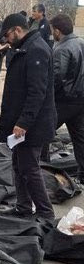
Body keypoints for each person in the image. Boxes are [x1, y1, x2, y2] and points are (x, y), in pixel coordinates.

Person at [0, 13, 55, 220]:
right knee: (18, 164)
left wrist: (24, 122)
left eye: (7, 35)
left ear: (18, 30)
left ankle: (45, 213)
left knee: (30, 167)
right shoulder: (25, 47)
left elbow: (37, 92)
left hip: (33, 124)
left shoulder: (36, 49)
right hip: (22, 120)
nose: (7, 39)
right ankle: (23, 206)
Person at [50, 13, 84, 184]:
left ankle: (43, 171)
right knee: (80, 138)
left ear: (57, 31)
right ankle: (82, 176)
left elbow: (57, 78)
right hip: (80, 99)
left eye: (52, 30)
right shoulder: (81, 43)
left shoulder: (62, 49)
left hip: (64, 100)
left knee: (43, 133)